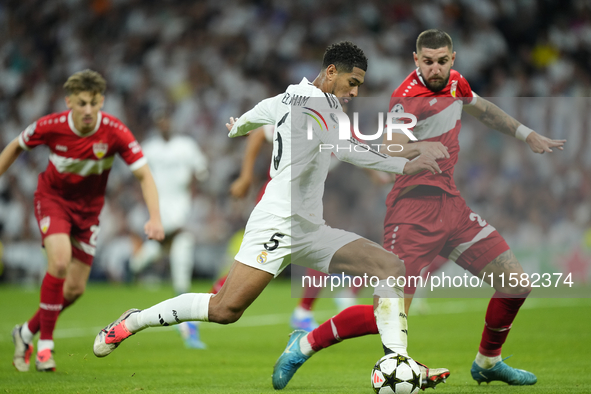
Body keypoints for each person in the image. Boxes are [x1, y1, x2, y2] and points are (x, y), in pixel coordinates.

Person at [92, 41, 446, 391]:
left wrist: (238, 125)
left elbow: (262, 110)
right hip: (276, 223)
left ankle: (399, 362)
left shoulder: (293, 96)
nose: (355, 92)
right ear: (332, 72)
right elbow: (349, 151)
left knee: (391, 268)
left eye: (359, 87)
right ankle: (132, 321)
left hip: (309, 228)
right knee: (225, 310)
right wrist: (407, 165)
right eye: (352, 83)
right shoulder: (315, 106)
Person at [272, 29, 566, 389]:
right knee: (390, 313)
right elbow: (390, 144)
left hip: (451, 206)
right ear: (416, 60)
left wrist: (526, 134)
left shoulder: (457, 83)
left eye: (442, 61)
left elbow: (484, 110)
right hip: (411, 211)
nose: (435, 68)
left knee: (515, 285)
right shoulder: (406, 97)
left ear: (452, 59)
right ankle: (301, 345)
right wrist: (417, 149)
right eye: (428, 61)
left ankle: (488, 361)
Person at [5, 69, 164, 372]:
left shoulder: (115, 131)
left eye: (93, 102)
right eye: (81, 103)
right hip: (52, 200)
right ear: (69, 102)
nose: (88, 110)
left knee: (75, 290)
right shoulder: (51, 126)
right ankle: (45, 349)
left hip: (88, 213)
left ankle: (25, 333)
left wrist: (155, 217)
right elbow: (15, 146)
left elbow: (144, 174)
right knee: (60, 262)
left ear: (101, 101)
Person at [130, 107, 209, 348]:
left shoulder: (186, 145)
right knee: (177, 243)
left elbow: (201, 171)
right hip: (158, 206)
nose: (164, 123)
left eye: (167, 119)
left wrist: (193, 195)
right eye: (160, 120)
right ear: (156, 123)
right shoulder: (150, 147)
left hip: (182, 205)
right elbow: (138, 176)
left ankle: (181, 308)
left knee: (179, 247)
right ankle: (182, 311)